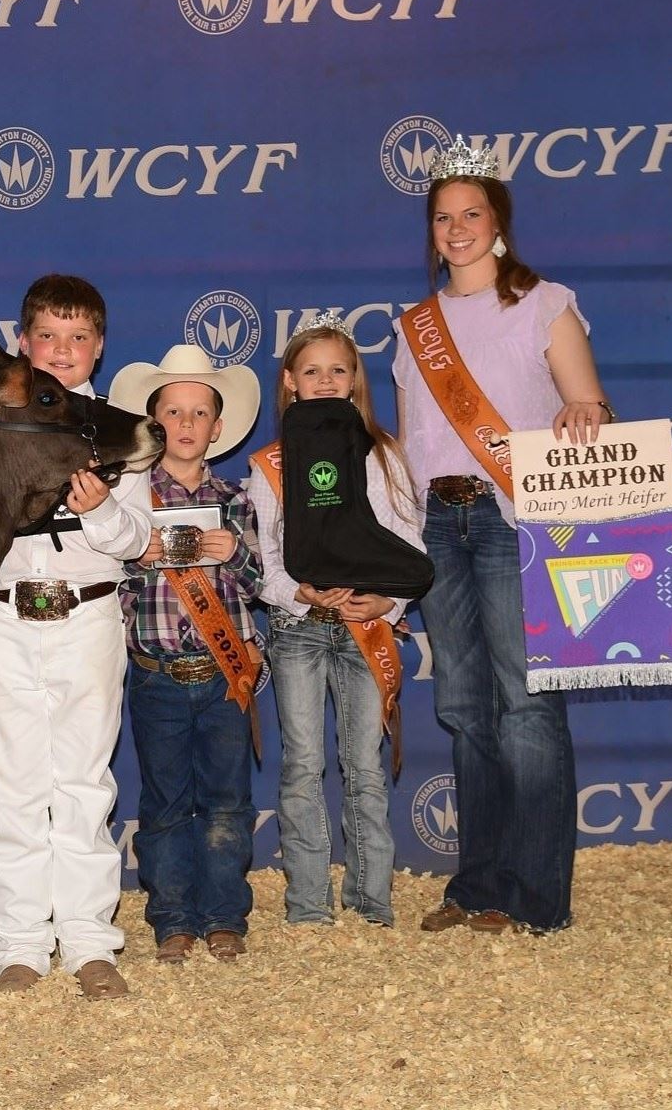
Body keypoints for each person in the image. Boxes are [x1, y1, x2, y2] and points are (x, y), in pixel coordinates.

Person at [391, 141, 611, 935]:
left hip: (512, 519)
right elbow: (411, 442)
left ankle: (535, 895)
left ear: (498, 222)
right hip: (435, 526)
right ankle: (476, 885)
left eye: (470, 214)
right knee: (462, 706)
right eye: (442, 218)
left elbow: (588, 404)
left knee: (525, 706)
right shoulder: (414, 327)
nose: (456, 229)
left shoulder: (544, 303)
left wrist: (586, 413)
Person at [0, 274, 152, 999]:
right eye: (48, 335)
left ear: (99, 348)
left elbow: (136, 539)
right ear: (22, 342)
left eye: (79, 338)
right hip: (3, 612)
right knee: (9, 785)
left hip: (88, 611)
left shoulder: (118, 430)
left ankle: (86, 941)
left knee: (82, 782)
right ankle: (16, 942)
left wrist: (103, 507)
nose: (63, 350)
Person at [249, 318, 425, 928]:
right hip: (298, 628)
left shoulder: (384, 455)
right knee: (302, 764)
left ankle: (372, 901)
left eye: (338, 370)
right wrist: (296, 591)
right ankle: (307, 907)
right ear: (291, 384)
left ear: (355, 384)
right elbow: (266, 561)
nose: (325, 380)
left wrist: (387, 603)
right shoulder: (270, 465)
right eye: (312, 370)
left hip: (364, 627)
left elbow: (406, 542)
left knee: (365, 766)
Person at [107, 345, 263, 964]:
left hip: (225, 673)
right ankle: (172, 919)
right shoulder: (129, 501)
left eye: (200, 413)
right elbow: (111, 573)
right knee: (165, 805)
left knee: (227, 802)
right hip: (158, 675)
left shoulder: (237, 498)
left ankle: (224, 916)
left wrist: (235, 554)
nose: (187, 424)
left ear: (218, 428)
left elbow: (259, 582)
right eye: (173, 412)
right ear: (153, 423)